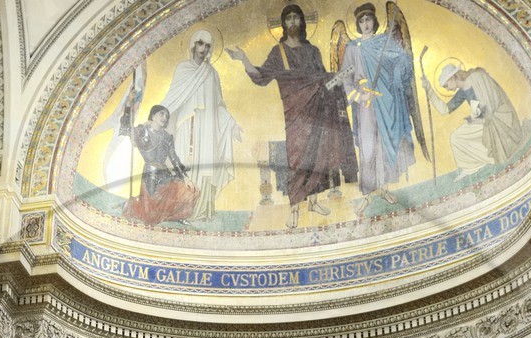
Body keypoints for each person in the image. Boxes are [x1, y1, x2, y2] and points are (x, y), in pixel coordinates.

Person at [228, 5, 357, 228]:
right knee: (297, 160)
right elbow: (261, 77)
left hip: (318, 111)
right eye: (288, 18)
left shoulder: (313, 50)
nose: (293, 22)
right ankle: (295, 209)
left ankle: (314, 202)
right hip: (296, 114)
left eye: (296, 17)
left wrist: (341, 77)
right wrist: (244, 59)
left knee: (318, 157)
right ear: (283, 24)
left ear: (302, 22)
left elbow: (323, 80)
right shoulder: (278, 52)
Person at [335, 3, 419, 205]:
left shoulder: (385, 41)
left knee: (385, 144)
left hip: (387, 100)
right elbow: (344, 77)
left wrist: (398, 70)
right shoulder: (353, 48)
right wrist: (358, 96)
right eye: (362, 21)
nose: (366, 24)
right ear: (357, 24)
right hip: (366, 105)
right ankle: (367, 194)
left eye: (369, 19)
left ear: (374, 20)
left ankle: (384, 188)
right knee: (368, 146)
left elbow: (403, 59)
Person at [159, 29, 242, 220]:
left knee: (205, 164)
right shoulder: (182, 68)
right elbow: (172, 98)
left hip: (206, 129)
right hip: (185, 125)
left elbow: (218, 105)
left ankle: (200, 212)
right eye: (200, 43)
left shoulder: (212, 74)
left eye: (207, 45)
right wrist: (155, 119)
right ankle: (179, 210)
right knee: (183, 161)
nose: (203, 48)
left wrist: (232, 123)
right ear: (193, 44)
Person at [421, 61, 525, 176]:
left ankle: (488, 158)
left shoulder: (478, 77)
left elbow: (492, 102)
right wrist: (429, 89)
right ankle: (471, 166)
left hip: (498, 117)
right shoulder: (462, 92)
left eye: (446, 85)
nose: (446, 89)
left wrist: (478, 117)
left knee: (457, 137)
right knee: (456, 137)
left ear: (452, 77)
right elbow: (444, 109)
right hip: (484, 119)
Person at [124, 105, 198, 225]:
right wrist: (128, 108)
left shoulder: (167, 137)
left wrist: (185, 178)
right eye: (161, 114)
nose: (164, 117)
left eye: (167, 116)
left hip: (165, 173)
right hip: (150, 173)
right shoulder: (142, 131)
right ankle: (133, 205)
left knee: (190, 190)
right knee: (151, 215)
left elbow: (174, 158)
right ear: (153, 115)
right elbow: (125, 128)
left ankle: (178, 216)